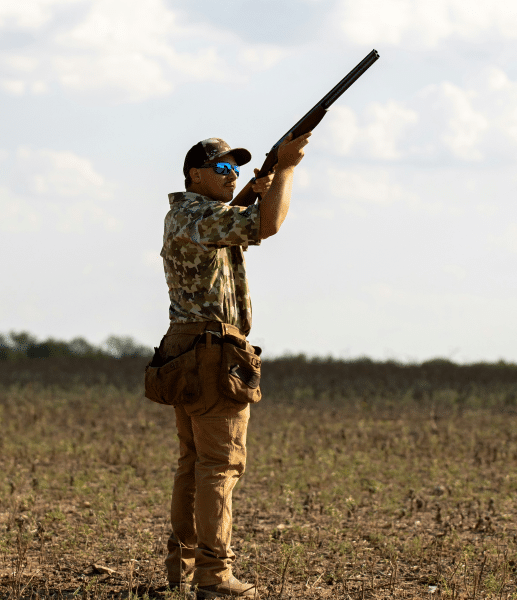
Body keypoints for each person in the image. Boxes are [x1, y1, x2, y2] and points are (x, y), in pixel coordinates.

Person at [152, 132, 311, 598]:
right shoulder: (198, 213)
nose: (231, 175)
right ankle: (215, 577)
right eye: (221, 169)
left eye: (236, 169)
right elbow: (266, 227)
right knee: (220, 465)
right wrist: (286, 169)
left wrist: (249, 191)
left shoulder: (187, 214)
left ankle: (180, 568)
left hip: (185, 346)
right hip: (212, 350)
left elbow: (235, 225)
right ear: (194, 176)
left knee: (193, 463)